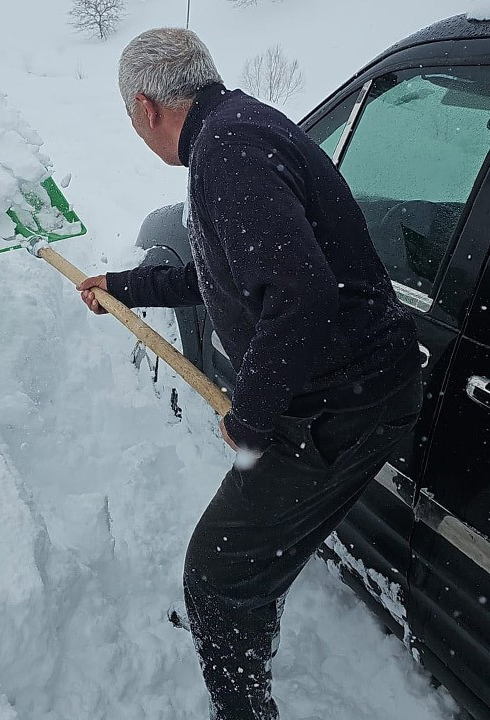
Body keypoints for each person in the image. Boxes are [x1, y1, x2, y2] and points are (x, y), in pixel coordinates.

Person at [76, 29, 421, 720]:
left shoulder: (228, 153)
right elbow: (226, 275)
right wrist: (123, 284)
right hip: (354, 391)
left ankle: (236, 671)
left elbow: (299, 294)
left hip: (337, 409)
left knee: (217, 571)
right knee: (245, 561)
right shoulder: (239, 131)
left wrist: (252, 414)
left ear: (146, 108)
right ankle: (235, 617)